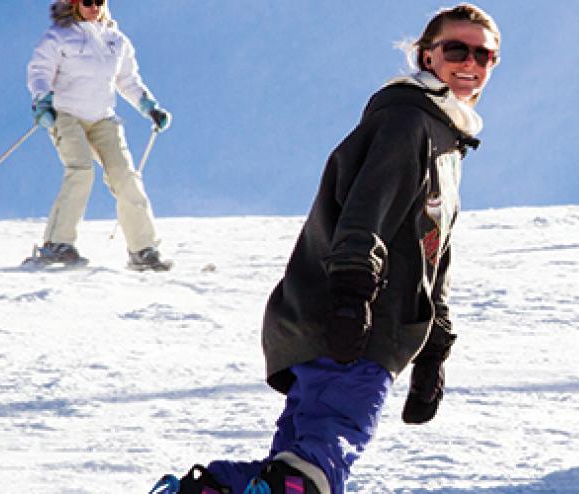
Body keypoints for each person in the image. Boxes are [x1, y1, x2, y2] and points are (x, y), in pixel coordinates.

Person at [149, 4, 498, 493]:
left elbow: (431, 260)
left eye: (485, 55)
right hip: (353, 325)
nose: (472, 63)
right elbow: (364, 214)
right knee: (314, 469)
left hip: (348, 325)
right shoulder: (408, 122)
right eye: (456, 49)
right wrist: (352, 300)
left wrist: (433, 352)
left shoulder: (445, 142)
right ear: (426, 56)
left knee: (295, 462)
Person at [26, 0, 173, 270]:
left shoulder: (116, 40)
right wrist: (42, 102)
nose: (94, 6)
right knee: (80, 170)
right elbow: (40, 71)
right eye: (87, 1)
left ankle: (143, 249)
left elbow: (128, 80)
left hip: (102, 118)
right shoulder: (59, 36)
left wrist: (150, 107)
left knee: (125, 176)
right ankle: (57, 243)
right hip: (66, 113)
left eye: (99, 1)